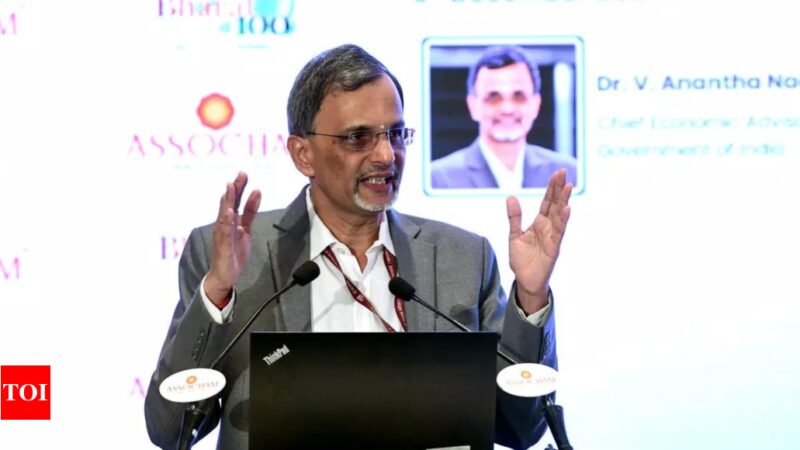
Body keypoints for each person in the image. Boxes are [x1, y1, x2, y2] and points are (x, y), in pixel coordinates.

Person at [144, 44, 572, 450]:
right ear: (303, 154)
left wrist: (531, 297)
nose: (386, 155)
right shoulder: (236, 256)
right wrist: (218, 292)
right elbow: (171, 428)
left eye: (396, 133)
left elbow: (521, 426)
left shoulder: (462, 258)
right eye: (358, 138)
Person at [431, 45, 577, 189]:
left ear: (536, 104)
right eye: (494, 97)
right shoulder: (437, 179)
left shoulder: (571, 175)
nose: (507, 109)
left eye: (518, 96)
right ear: (473, 105)